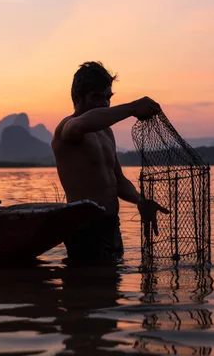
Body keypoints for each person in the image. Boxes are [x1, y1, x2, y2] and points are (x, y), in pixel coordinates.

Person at [52, 61, 169, 263]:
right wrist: (132, 108)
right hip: (84, 229)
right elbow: (83, 122)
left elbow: (118, 181)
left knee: (110, 288)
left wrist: (140, 201)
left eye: (108, 97)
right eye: (97, 97)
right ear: (78, 98)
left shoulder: (106, 132)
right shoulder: (68, 128)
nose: (105, 103)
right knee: (90, 288)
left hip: (111, 226)